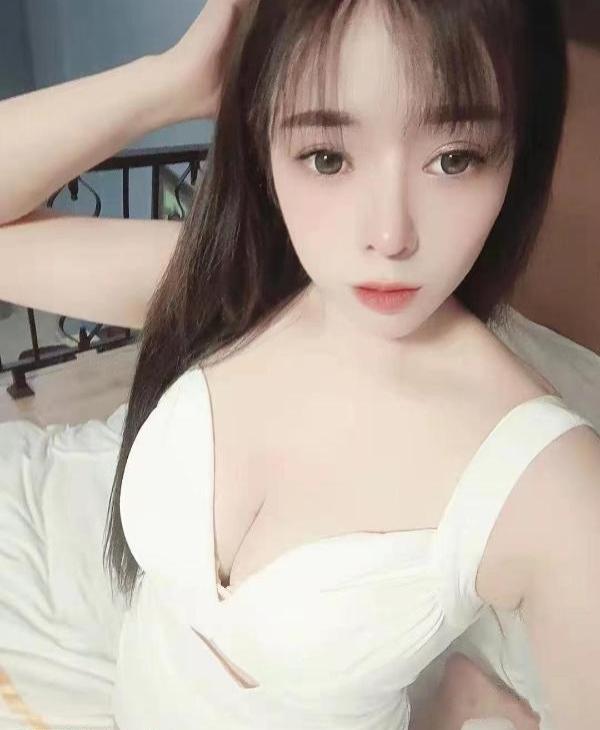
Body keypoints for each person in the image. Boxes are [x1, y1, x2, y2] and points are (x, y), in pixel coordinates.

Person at [0, 1, 598, 728]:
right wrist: (170, 82)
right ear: (265, 139)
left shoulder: (553, 486)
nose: (389, 236)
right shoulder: (238, 293)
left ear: (516, 156)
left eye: (454, 158)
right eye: (327, 157)